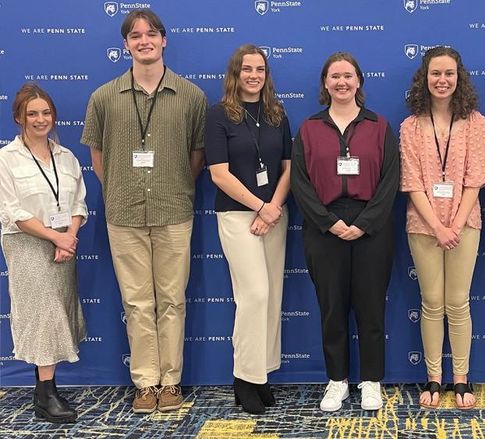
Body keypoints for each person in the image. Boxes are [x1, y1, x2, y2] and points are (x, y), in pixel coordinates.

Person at [81, 8, 207, 413]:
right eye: (135, 36)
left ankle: (171, 382)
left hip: (174, 210)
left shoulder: (191, 96)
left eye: (151, 34)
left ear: (164, 40)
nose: (143, 41)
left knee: (172, 300)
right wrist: (120, 188)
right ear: (126, 45)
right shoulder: (103, 97)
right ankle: (145, 383)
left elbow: (197, 156)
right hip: (125, 214)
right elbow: (98, 156)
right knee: (136, 303)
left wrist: (175, 188)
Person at [290, 52, 399, 412]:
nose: (341, 82)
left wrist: (364, 224)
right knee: (332, 308)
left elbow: (390, 181)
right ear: (325, 83)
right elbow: (301, 183)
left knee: (370, 308)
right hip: (324, 227)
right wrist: (329, 222)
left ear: (359, 82)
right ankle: (337, 381)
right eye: (334, 76)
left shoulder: (379, 126)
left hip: (372, 227)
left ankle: (371, 381)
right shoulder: (308, 128)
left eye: (348, 76)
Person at [400, 46, 485, 410]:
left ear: (459, 78)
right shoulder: (410, 125)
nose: (442, 80)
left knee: (457, 303)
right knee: (431, 302)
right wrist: (437, 225)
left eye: (449, 74)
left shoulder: (475, 122)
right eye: (435, 74)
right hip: (423, 226)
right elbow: (412, 181)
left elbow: (477, 177)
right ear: (425, 78)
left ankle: (461, 378)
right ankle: (433, 378)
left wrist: (453, 223)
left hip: (465, 223)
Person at [204, 45, 291, 415]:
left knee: (271, 296)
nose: (253, 75)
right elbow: (218, 173)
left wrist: (272, 209)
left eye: (260, 69)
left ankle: (262, 375)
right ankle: (244, 378)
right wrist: (259, 207)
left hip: (275, 215)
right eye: (246, 69)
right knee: (253, 294)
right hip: (238, 217)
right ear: (235, 74)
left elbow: (288, 168)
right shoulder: (218, 115)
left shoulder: (276, 113)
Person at [0, 83, 88, 423]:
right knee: (43, 312)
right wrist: (55, 237)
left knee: (59, 310)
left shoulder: (66, 157)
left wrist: (69, 237)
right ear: (19, 117)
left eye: (46, 112)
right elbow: (12, 212)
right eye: (32, 113)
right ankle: (45, 394)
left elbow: (79, 202)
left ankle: (47, 386)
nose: (40, 119)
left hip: (64, 244)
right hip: (27, 243)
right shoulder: (7, 159)